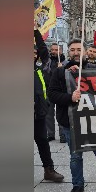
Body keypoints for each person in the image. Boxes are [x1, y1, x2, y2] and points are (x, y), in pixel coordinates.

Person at [47, 39, 96, 192]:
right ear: (68, 52)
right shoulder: (59, 72)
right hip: (70, 122)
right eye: (72, 50)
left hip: (94, 121)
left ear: (85, 52)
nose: (76, 53)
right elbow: (52, 94)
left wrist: (83, 75)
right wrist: (69, 96)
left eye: (79, 49)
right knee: (75, 156)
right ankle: (77, 185)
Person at [34, 24, 64, 183]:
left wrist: (35, 31)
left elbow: (43, 50)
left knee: (43, 142)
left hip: (38, 113)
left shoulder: (41, 68)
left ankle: (49, 170)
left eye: (34, 53)